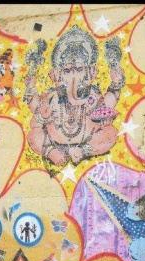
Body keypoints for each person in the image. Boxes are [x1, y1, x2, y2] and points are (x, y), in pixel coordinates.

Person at [23, 25, 125, 166]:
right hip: (54, 144)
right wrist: (31, 89)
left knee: (111, 133)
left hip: (85, 143)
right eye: (67, 71)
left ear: (90, 72)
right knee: (33, 135)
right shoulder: (53, 98)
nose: (73, 76)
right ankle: (51, 152)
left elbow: (109, 103)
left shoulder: (91, 96)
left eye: (79, 69)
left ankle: (83, 151)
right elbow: (36, 120)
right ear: (56, 74)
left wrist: (116, 80)